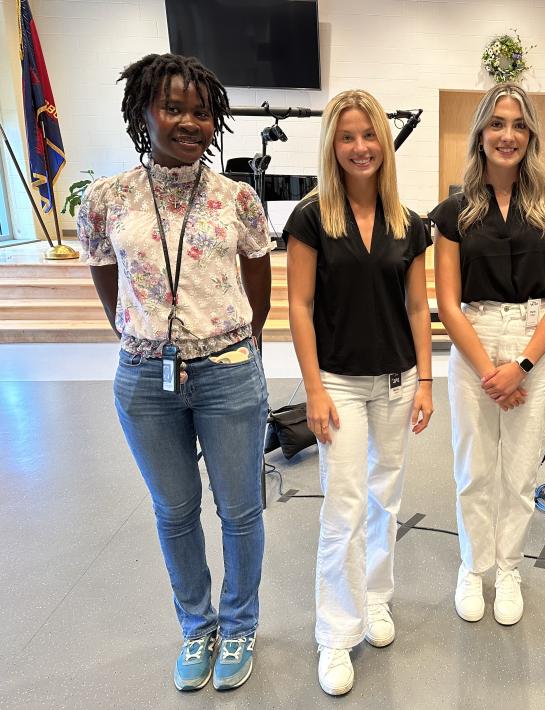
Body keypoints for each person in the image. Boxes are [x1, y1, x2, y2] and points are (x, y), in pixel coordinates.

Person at [77, 53, 272, 691]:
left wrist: (232, 343)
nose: (190, 121)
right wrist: (139, 335)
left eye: (201, 110)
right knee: (175, 511)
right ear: (143, 111)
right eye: (174, 107)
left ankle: (239, 624)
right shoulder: (107, 199)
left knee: (240, 510)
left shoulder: (236, 197)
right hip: (144, 379)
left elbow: (258, 284)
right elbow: (107, 279)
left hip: (228, 372)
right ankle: (198, 627)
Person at [283, 89, 433, 696]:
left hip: (396, 382)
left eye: (369, 135)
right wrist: (314, 389)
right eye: (347, 137)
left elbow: (419, 308)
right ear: (332, 146)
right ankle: (335, 633)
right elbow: (298, 305)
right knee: (342, 509)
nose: (361, 147)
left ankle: (375, 600)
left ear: (384, 143)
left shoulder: (410, 222)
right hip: (339, 382)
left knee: (384, 501)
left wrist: (425, 379)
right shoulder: (312, 217)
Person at [430, 83, 545, 627]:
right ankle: (474, 566)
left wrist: (523, 365)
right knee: (473, 469)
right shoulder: (453, 211)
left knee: (519, 474)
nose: (507, 134)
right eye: (496, 124)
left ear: (531, 134)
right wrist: (490, 368)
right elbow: (447, 302)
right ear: (480, 134)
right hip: (474, 339)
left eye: (518, 124)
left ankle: (509, 567)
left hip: (536, 338)